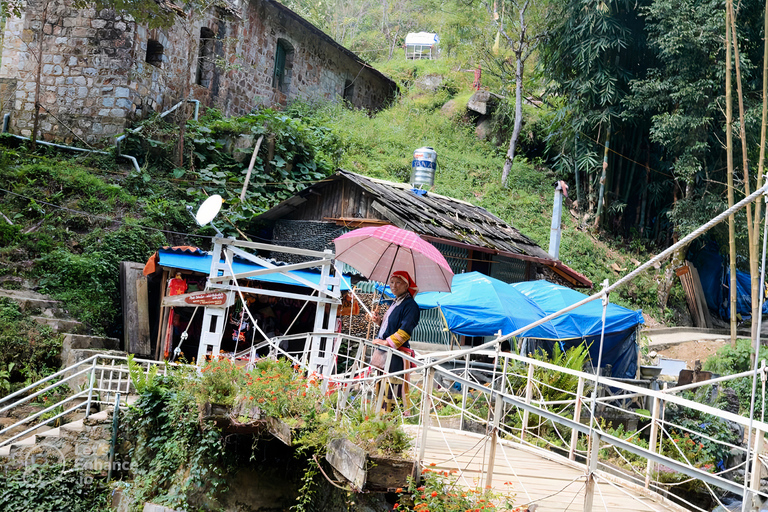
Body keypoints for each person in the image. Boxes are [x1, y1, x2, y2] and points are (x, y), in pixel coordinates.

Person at [370, 271, 420, 393]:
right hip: (385, 354)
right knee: (381, 389)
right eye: (392, 282)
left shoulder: (410, 306)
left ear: (406, 286)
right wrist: (379, 321)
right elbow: (391, 326)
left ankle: (392, 413)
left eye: (398, 282)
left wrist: (385, 343)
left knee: (392, 392)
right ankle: (379, 412)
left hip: (396, 356)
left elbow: (405, 332)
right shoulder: (396, 302)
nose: (394, 286)